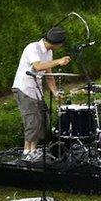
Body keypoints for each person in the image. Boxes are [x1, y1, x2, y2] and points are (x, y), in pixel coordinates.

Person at [12, 27, 70, 161]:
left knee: (42, 120)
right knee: (32, 120)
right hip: (24, 88)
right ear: (57, 43)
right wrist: (59, 61)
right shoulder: (33, 48)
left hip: (36, 90)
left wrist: (55, 92)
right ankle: (27, 152)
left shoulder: (49, 52)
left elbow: (49, 75)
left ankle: (34, 149)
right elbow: (37, 66)